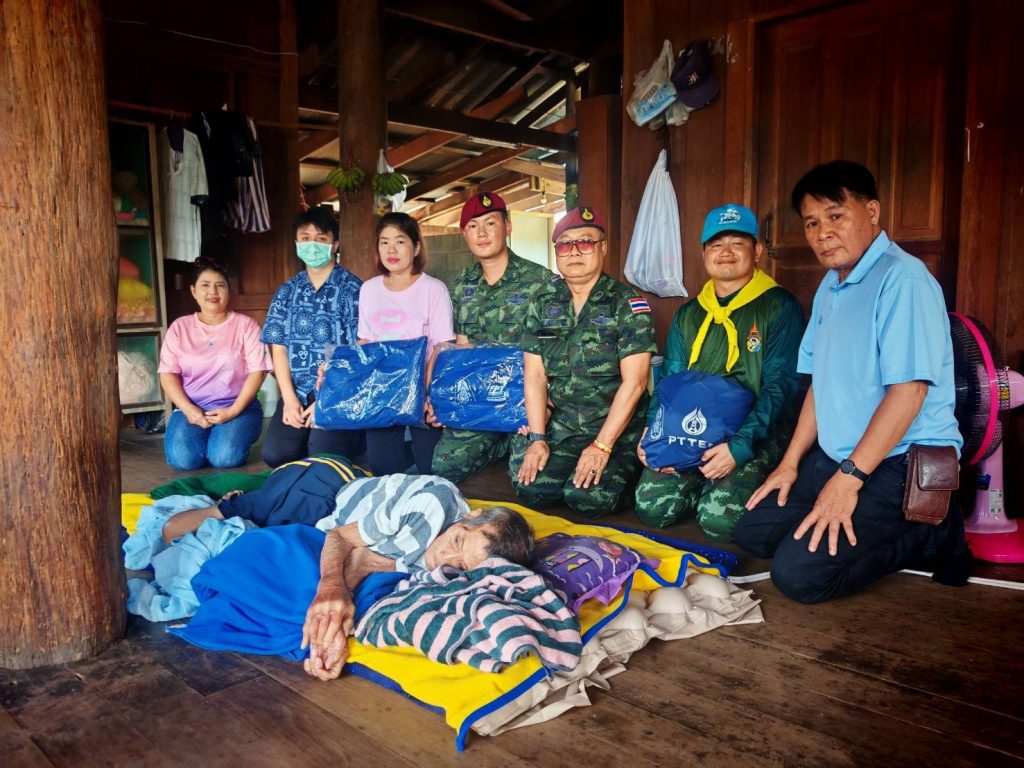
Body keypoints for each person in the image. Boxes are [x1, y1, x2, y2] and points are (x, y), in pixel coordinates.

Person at [734, 160, 969, 603]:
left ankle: (930, 534)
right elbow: (820, 385)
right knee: (752, 533)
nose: (823, 233)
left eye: (836, 216)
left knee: (798, 577)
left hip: (898, 461)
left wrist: (848, 481)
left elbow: (910, 393)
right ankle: (851, 520)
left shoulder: (903, 279)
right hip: (837, 455)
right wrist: (790, 463)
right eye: (811, 223)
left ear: (872, 212)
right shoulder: (830, 285)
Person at [634, 204, 804, 541]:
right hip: (692, 427)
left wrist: (739, 448)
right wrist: (653, 432)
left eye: (737, 243)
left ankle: (719, 486)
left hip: (754, 430)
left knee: (719, 521)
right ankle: (703, 481)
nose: (725, 252)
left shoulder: (778, 306)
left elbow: (780, 386)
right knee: (652, 508)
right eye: (716, 244)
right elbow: (669, 383)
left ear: (757, 251)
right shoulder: (690, 313)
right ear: (704, 253)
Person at [510, 206, 656, 516]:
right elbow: (535, 376)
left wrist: (601, 446)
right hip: (565, 429)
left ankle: (628, 473)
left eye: (585, 242)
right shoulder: (543, 302)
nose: (574, 251)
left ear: (603, 248)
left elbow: (636, 383)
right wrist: (537, 438)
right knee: (532, 489)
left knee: (588, 498)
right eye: (565, 245)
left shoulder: (626, 303)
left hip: (616, 432)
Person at [430, 192, 551, 483]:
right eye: (473, 226)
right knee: (445, 466)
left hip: (527, 402)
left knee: (527, 480)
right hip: (480, 402)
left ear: (507, 226)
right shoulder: (463, 284)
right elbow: (462, 351)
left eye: (490, 223)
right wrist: (448, 401)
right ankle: (498, 444)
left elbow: (554, 351)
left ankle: (512, 442)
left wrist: (547, 407)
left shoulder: (540, 281)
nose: (481, 233)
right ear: (465, 234)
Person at [260, 208, 364, 468]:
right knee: (275, 455)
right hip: (298, 391)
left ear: (335, 244)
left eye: (321, 238)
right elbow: (278, 348)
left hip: (339, 393)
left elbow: (360, 349)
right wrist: (289, 400)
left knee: (322, 457)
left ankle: (354, 437)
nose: (312, 245)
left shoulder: (353, 289)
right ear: (296, 243)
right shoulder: (287, 291)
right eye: (305, 238)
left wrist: (325, 401)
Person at [357, 212, 454, 474]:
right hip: (383, 389)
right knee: (383, 469)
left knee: (430, 468)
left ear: (416, 248)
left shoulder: (433, 289)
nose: (391, 249)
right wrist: (338, 367)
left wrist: (425, 393)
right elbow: (365, 341)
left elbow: (442, 346)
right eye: (384, 242)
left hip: (424, 388)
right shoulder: (369, 289)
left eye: (400, 241)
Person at [158, 257, 271, 470]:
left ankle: (226, 436)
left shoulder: (246, 326)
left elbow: (258, 371)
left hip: (238, 407)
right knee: (183, 460)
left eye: (220, 285)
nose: (213, 292)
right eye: (205, 285)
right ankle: (209, 437)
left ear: (229, 291)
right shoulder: (179, 327)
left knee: (224, 458)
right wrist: (189, 409)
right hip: (192, 407)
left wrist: (233, 411)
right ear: (193, 291)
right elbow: (167, 373)